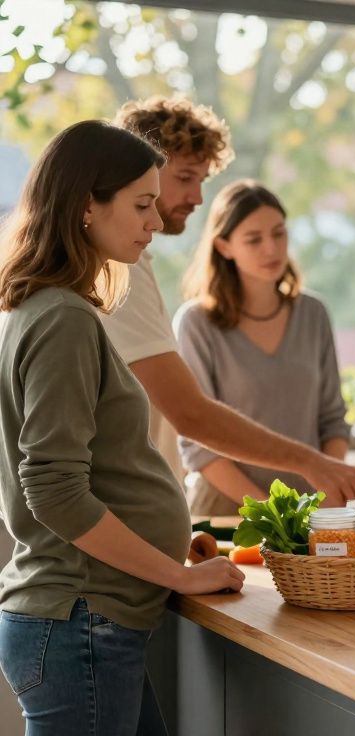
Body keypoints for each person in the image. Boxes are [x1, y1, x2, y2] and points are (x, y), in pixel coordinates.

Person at [0, 120, 245, 735]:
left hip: (85, 619)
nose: (156, 222)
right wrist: (177, 575)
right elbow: (53, 490)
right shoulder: (63, 319)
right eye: (141, 205)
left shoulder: (47, 307)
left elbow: (89, 470)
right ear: (88, 204)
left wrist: (161, 540)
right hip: (81, 619)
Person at [109, 96, 355, 506]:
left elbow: (332, 417)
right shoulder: (120, 270)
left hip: (148, 508)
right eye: (186, 177)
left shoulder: (134, 262)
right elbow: (190, 417)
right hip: (176, 510)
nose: (196, 197)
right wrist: (300, 479)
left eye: (279, 233)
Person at [173, 180, 351, 514]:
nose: (271, 249)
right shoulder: (196, 323)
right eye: (254, 239)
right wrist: (271, 512)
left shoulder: (313, 314)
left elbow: (332, 420)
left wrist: (322, 496)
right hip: (226, 513)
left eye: (279, 233)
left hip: (309, 512)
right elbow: (199, 446)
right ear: (224, 247)